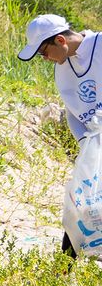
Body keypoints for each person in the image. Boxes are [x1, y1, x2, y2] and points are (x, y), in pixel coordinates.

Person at [18, 13, 102, 256]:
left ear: (60, 41)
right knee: (82, 203)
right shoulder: (62, 69)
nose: (44, 59)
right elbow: (73, 113)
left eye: (44, 52)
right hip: (95, 146)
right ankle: (64, 269)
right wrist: (85, 142)